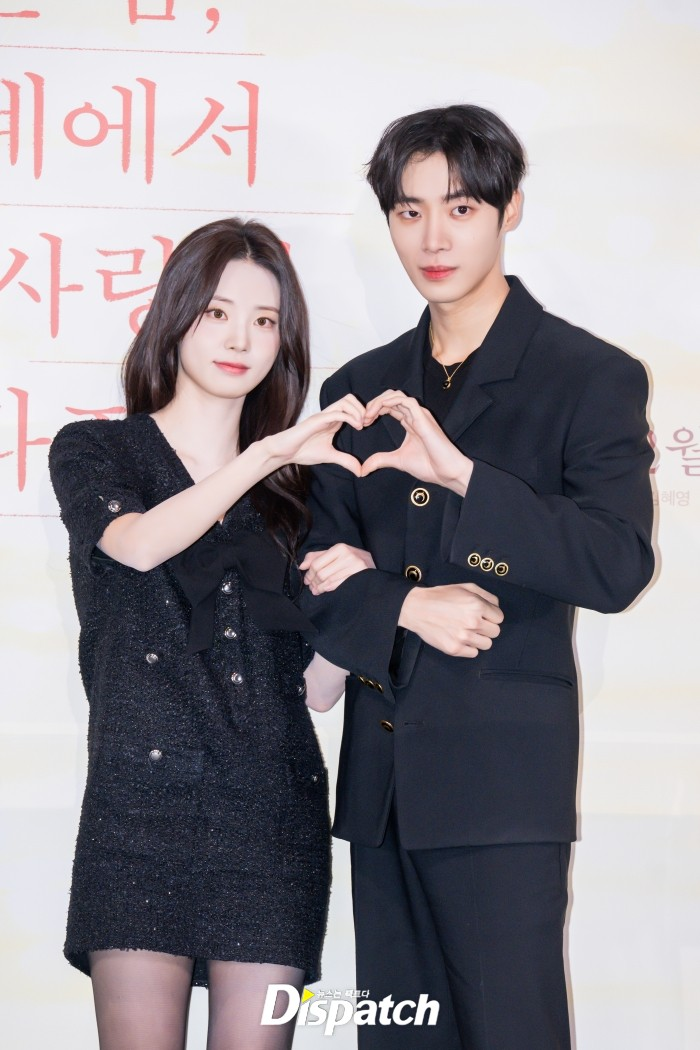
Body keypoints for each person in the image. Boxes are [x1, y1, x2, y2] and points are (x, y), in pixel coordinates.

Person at [298, 105, 655, 1049]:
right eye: (408, 212)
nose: (433, 238)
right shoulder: (358, 387)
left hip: (503, 789)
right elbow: (317, 575)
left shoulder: (588, 375)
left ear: (510, 209)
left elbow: (616, 563)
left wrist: (463, 478)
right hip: (381, 791)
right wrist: (406, 604)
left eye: (459, 208)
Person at [48, 216, 361, 1050]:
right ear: (176, 314)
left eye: (265, 321)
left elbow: (315, 691)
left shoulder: (298, 496)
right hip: (137, 813)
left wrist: (354, 598)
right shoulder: (96, 451)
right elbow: (139, 545)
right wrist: (264, 458)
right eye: (219, 312)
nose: (240, 339)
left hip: (272, 817)